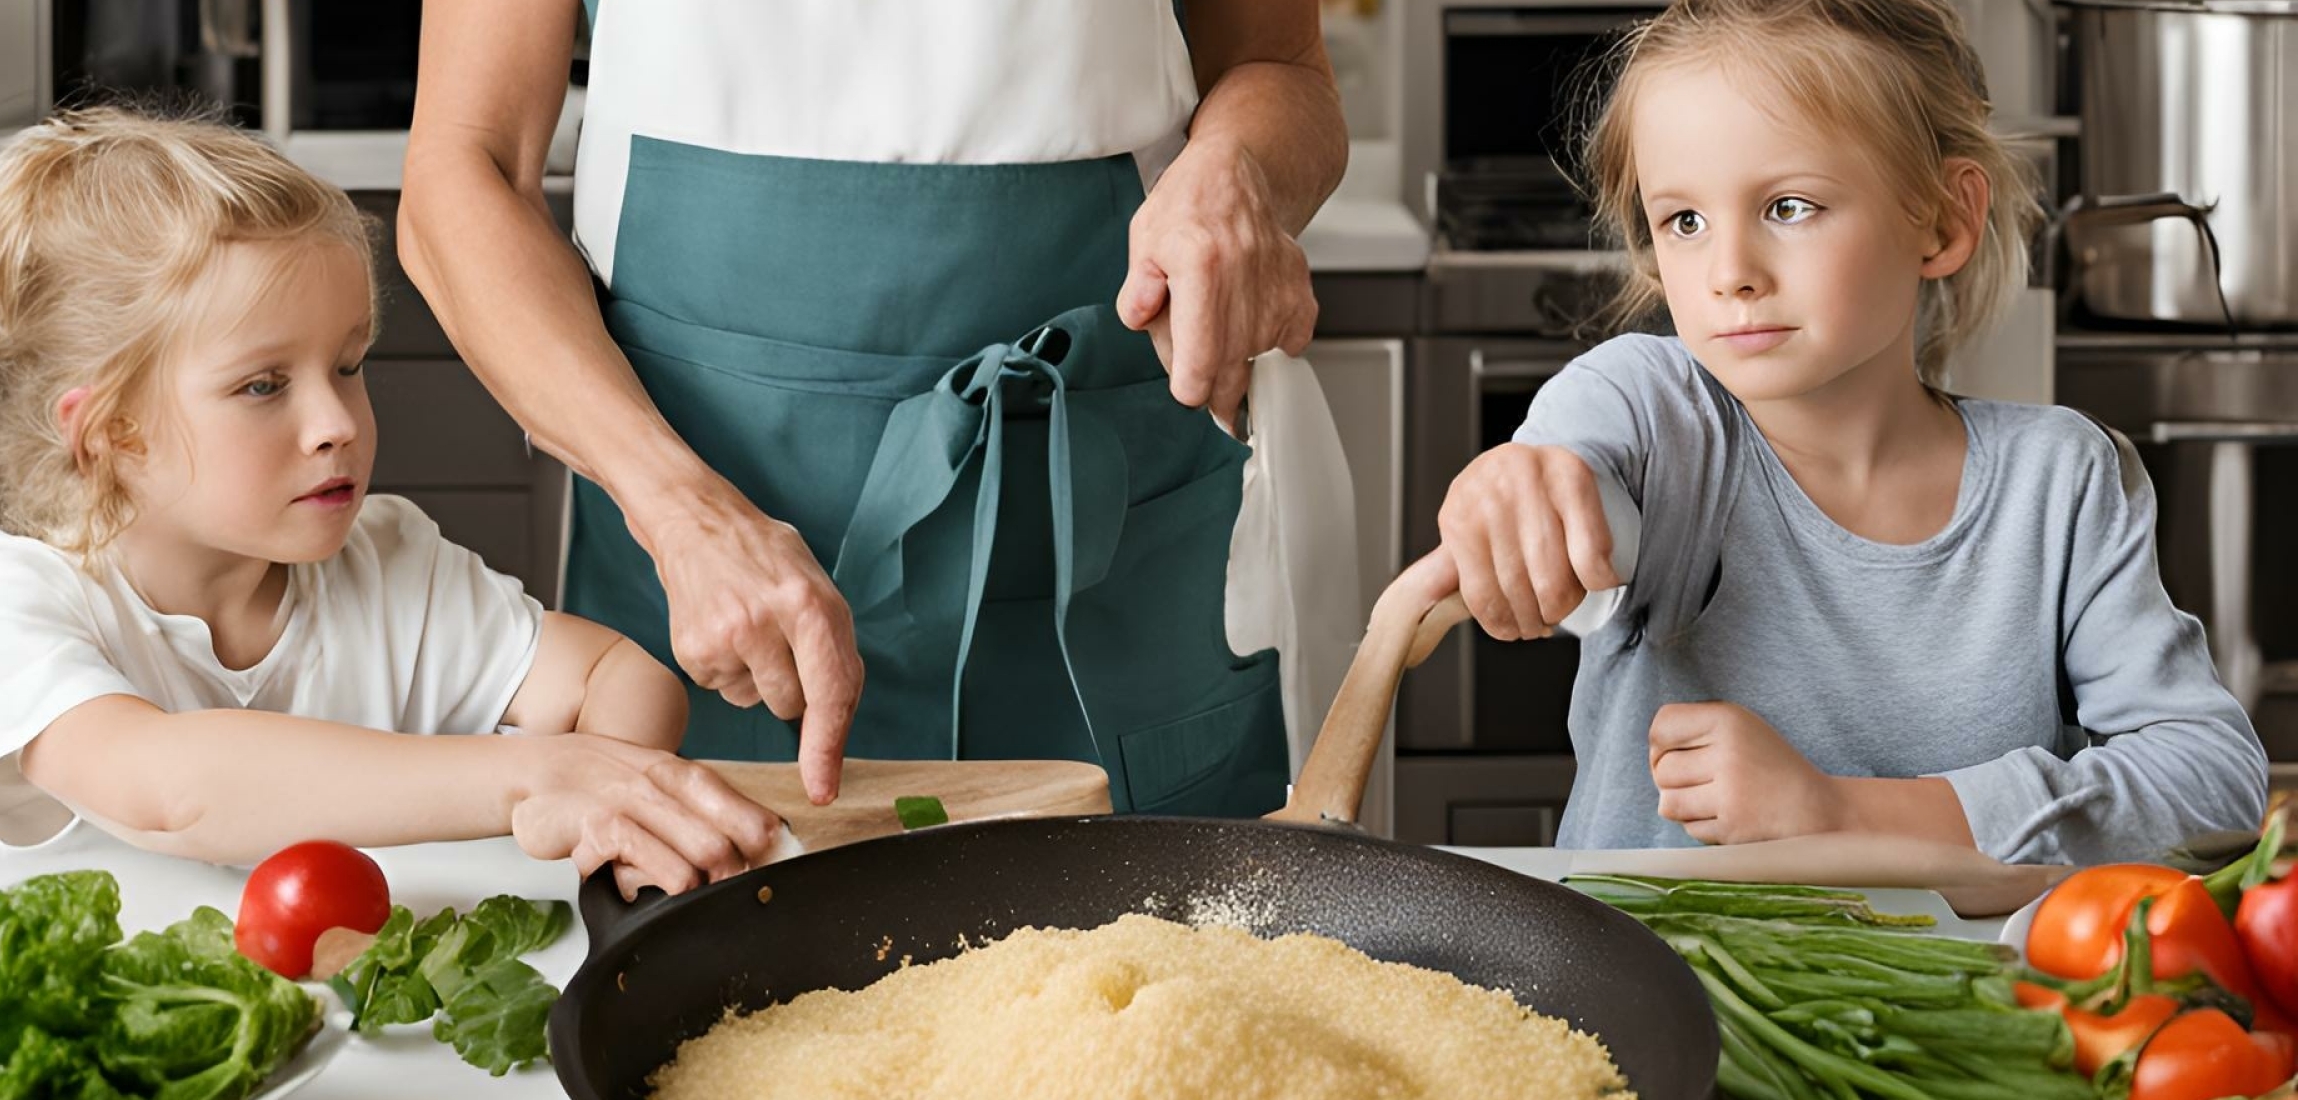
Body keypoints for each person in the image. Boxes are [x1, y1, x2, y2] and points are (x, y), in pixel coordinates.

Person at [398, 2, 1352, 817]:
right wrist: (678, 510)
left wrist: (1237, 166)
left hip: (1101, 533)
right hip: (709, 561)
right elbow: (462, 169)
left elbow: (1280, 69)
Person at [1424, 0, 2266, 863]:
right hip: (1650, 987)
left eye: (1788, 206)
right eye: (1684, 221)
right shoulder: (1658, 419)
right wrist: (1519, 484)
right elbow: (1567, 464)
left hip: (1963, 992)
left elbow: (2210, 784)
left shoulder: (2063, 483)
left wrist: (1839, 810)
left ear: (1941, 218)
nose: (1730, 274)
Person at [0, 108, 784, 893]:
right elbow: (172, 789)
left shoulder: (391, 562)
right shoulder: (7, 599)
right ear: (113, 432)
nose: (337, 422)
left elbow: (619, 675)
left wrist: (606, 796)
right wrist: (537, 778)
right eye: (264, 386)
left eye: (347, 365)